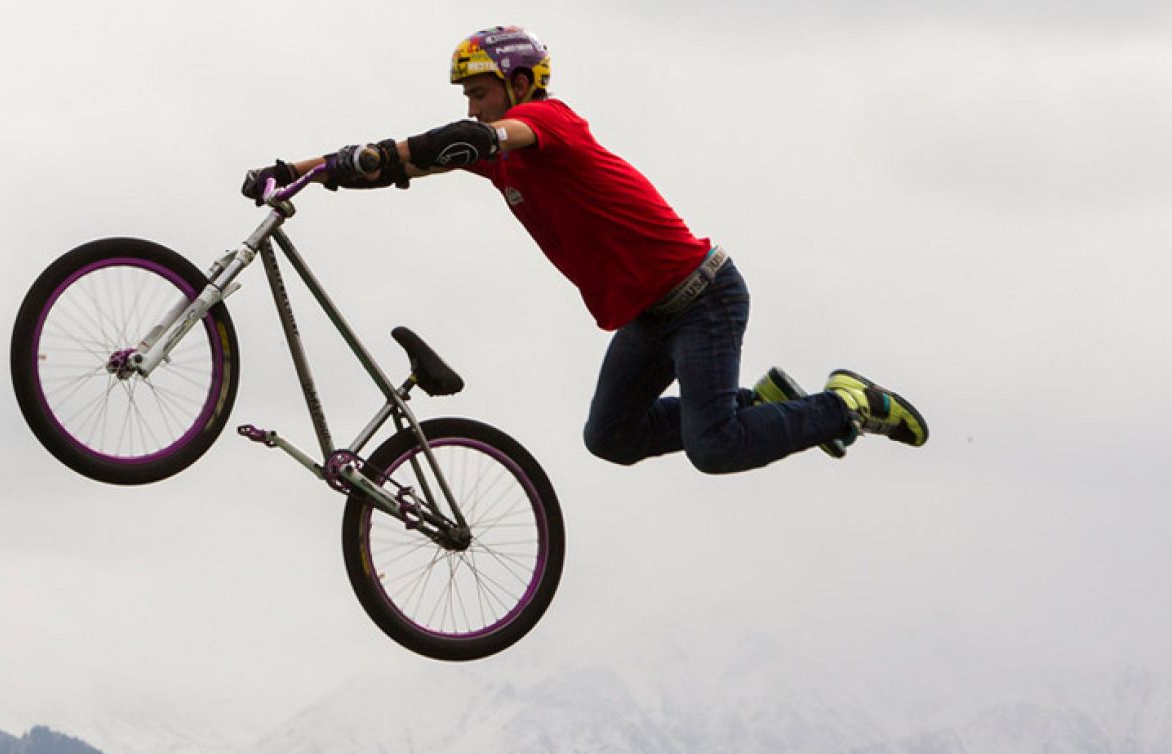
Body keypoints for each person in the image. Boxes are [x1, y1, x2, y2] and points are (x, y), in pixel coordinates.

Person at [241, 25, 927, 474]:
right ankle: (765, 405)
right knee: (611, 438)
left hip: (703, 297)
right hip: (652, 316)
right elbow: (400, 161)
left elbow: (478, 138)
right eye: (469, 97)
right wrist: (300, 169)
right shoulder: (495, 153)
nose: (475, 107)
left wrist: (465, 136)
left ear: (518, 85)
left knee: (713, 449)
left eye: (481, 92)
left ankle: (849, 404)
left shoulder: (548, 122)